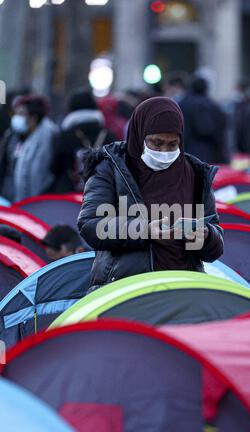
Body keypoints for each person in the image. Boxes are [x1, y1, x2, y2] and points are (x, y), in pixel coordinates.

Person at [78, 97, 224, 292]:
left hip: (184, 290)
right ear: (139, 136)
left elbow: (215, 241)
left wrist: (205, 236)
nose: (164, 151)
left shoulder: (195, 174)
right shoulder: (110, 169)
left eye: (172, 145)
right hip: (125, 289)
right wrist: (144, 230)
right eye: (156, 143)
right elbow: (91, 224)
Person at [51, 89, 115, 193]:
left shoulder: (65, 136)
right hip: (102, 194)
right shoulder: (108, 134)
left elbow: (55, 168)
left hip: (69, 194)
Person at [1, 94, 57, 202]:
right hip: (14, 200)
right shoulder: (13, 137)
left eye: (21, 114)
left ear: (33, 118)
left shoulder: (49, 139)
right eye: (15, 113)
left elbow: (43, 177)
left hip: (39, 203)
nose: (16, 118)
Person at [180, 76, 229, 164]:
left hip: (186, 149)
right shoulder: (212, 105)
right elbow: (217, 130)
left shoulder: (183, 103)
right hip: (207, 152)